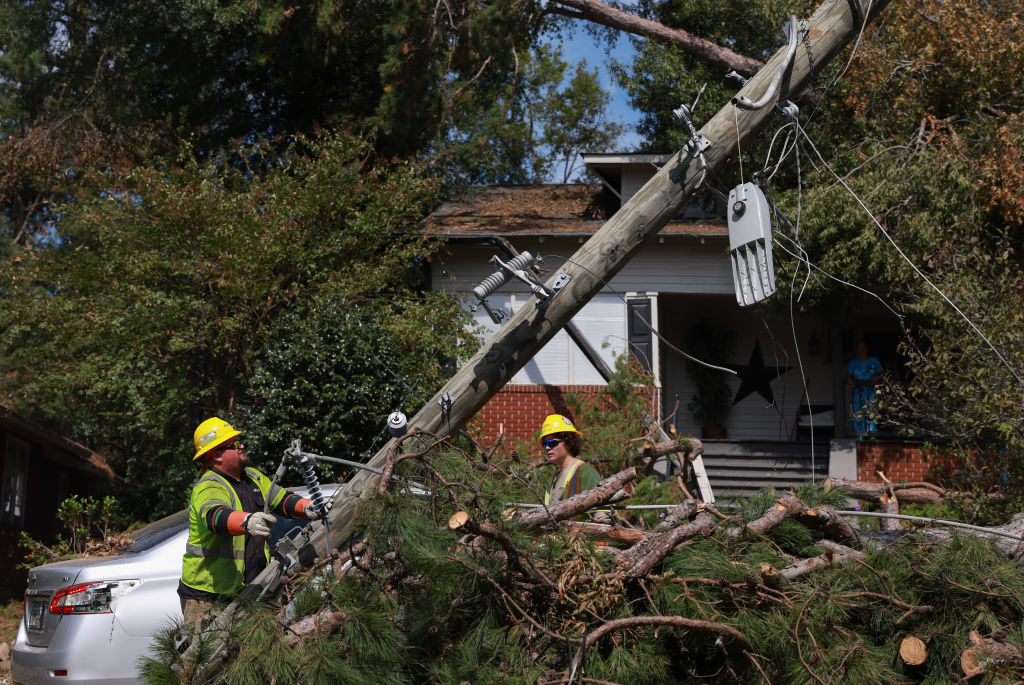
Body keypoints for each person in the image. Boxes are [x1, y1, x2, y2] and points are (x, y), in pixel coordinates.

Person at [177, 416, 323, 630]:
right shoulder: (208, 486)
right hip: (208, 600)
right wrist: (247, 521)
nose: (241, 445)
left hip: (252, 589)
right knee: (213, 662)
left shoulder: (251, 477)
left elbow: (282, 499)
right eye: (233, 444)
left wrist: (309, 507)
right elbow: (216, 517)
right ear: (216, 455)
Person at [539, 414, 609, 522]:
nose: (547, 447)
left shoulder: (586, 473)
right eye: (545, 444)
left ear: (569, 443)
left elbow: (602, 518)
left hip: (582, 538)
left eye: (552, 443)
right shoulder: (554, 478)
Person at [846, 341, 883, 436]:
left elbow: (881, 374)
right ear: (857, 350)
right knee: (858, 412)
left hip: (871, 390)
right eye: (859, 348)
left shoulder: (874, 361)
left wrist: (875, 380)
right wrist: (851, 383)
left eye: (863, 348)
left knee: (871, 411)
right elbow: (849, 376)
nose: (861, 350)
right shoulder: (853, 363)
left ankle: (872, 435)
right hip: (858, 390)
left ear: (867, 349)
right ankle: (859, 435)